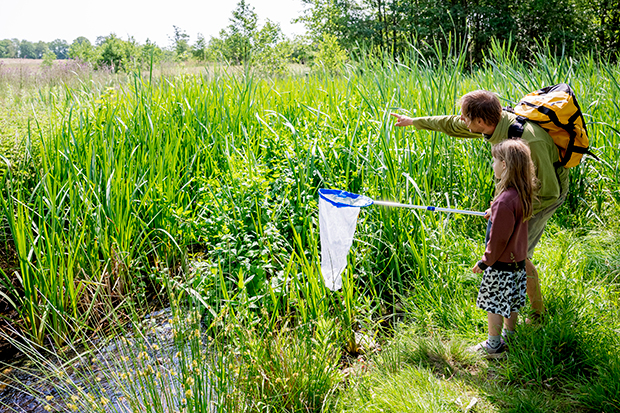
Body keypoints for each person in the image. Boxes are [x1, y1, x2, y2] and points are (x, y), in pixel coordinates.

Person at [391, 90, 569, 322]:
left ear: (481, 121)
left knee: (518, 255)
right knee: (512, 253)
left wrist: (509, 211)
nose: (462, 119)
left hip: (543, 196)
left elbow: (549, 191)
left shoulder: (529, 140)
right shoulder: (491, 125)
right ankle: (513, 311)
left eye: (466, 117)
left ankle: (536, 314)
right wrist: (414, 121)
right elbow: (452, 124)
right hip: (516, 193)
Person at [470, 139, 537, 357]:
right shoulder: (522, 194)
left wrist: (485, 261)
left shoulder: (504, 201)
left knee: (494, 305)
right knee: (511, 302)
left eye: (495, 161)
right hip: (517, 263)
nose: (493, 165)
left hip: (500, 265)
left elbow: (498, 240)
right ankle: (510, 337)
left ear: (505, 165)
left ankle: (493, 346)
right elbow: (511, 221)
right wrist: (495, 213)